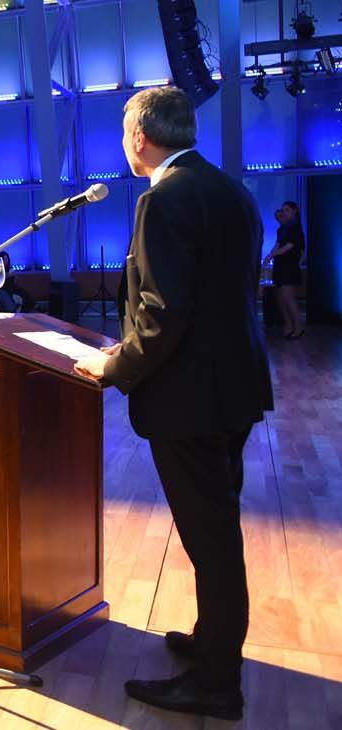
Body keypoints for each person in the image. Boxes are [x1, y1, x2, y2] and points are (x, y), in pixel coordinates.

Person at [73, 87, 273, 722]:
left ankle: (217, 684)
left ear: (139, 136)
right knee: (216, 530)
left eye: (123, 132)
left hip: (190, 399)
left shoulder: (163, 198)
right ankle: (213, 644)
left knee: (210, 540)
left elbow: (162, 315)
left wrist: (113, 366)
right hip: (232, 389)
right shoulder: (230, 191)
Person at [263, 200, 305, 338]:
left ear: (294, 210)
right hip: (280, 266)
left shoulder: (295, 227)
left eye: (287, 209)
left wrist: (273, 254)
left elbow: (290, 246)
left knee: (288, 296)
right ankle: (289, 324)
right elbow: (279, 244)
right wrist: (269, 256)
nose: (284, 212)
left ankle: (298, 326)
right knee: (280, 296)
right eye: (283, 210)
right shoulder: (282, 229)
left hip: (289, 266)